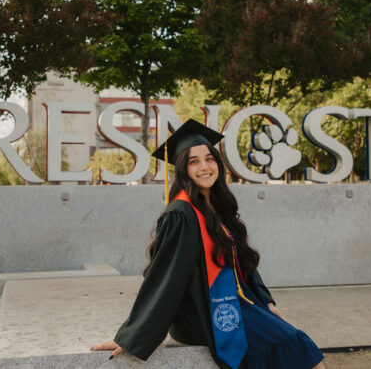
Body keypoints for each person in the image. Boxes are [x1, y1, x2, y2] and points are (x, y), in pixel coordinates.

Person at [91, 119, 324, 369]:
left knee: (295, 344)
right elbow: (166, 278)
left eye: (209, 159)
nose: (204, 167)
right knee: (296, 344)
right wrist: (132, 336)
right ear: (182, 169)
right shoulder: (181, 214)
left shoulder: (217, 208)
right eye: (194, 161)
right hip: (202, 313)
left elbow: (240, 260)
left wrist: (265, 300)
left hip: (239, 302)